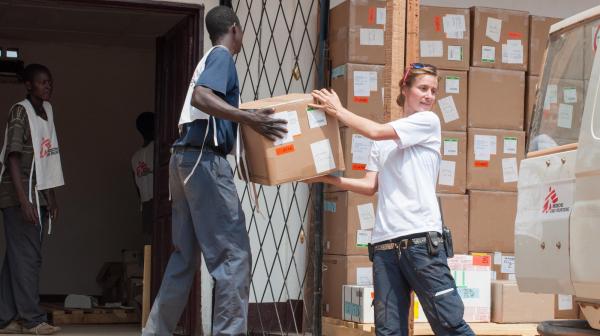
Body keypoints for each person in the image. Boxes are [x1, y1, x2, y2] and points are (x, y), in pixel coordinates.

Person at [142, 6, 286, 336]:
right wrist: (250, 118)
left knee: (184, 258)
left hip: (183, 163)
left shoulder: (207, 59)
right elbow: (202, 97)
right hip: (204, 163)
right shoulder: (221, 56)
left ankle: (155, 332)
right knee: (234, 256)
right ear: (234, 29)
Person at [307, 63, 474, 336]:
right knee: (388, 331)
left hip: (421, 242)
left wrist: (339, 111)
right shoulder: (383, 140)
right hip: (385, 246)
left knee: (449, 325)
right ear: (405, 90)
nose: (429, 96)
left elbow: (373, 130)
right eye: (423, 88)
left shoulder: (428, 122)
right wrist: (326, 179)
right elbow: (369, 185)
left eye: (434, 90)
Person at [0, 64, 64, 335]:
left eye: (49, 82)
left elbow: (45, 157)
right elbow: (12, 156)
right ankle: (32, 319)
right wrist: (23, 201)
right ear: (28, 85)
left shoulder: (46, 112)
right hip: (18, 195)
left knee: (17, 257)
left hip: (37, 193)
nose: (47, 86)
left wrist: (51, 196)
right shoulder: (20, 111)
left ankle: (6, 318)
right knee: (28, 257)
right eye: (41, 82)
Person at [131, 112, 155, 245]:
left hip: (145, 208)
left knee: (149, 249)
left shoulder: (134, 158)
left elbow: (137, 190)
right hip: (159, 206)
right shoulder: (160, 150)